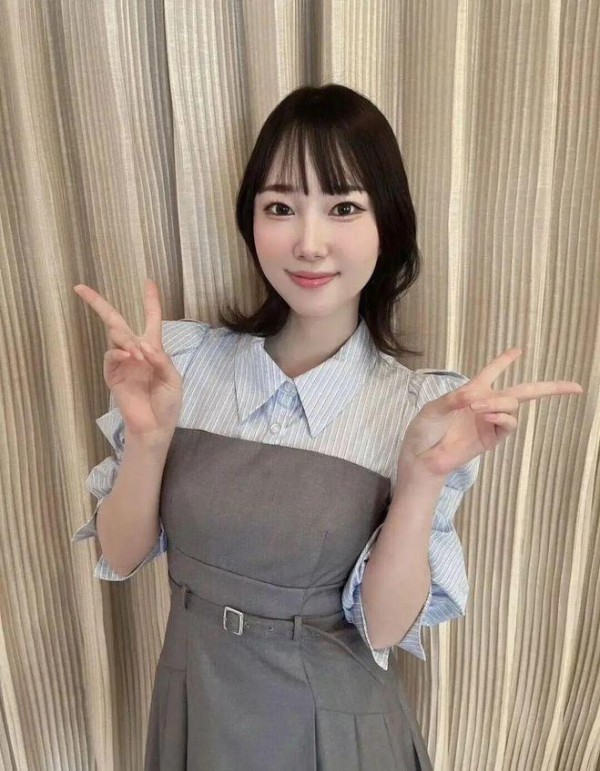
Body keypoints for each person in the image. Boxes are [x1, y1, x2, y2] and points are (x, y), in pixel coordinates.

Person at [72, 84, 583, 770]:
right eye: (280, 207)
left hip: (337, 732)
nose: (309, 243)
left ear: (387, 224)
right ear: (251, 222)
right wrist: (149, 437)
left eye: (343, 207)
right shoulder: (184, 366)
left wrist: (422, 477)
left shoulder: (418, 408)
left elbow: (384, 626)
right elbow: (123, 553)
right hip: (195, 705)